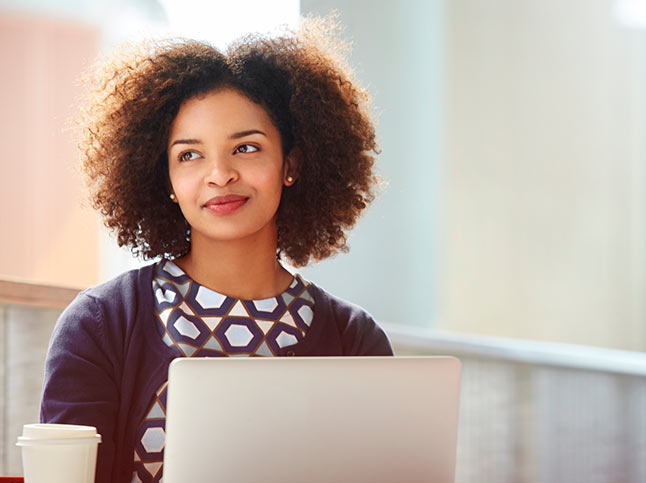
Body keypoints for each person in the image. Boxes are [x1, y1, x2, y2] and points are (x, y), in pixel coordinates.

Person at [39, 17, 392, 483]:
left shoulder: (355, 340)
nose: (219, 174)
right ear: (165, 178)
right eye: (189, 154)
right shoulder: (101, 324)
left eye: (246, 148)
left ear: (291, 164)